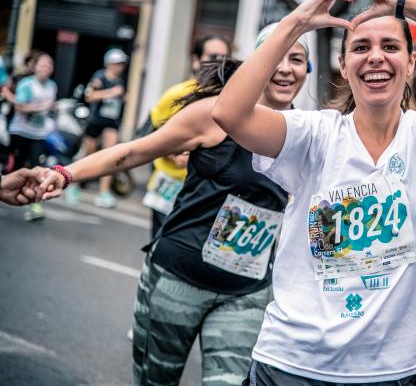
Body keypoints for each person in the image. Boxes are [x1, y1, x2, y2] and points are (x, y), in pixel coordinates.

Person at [211, 0, 416, 385]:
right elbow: (229, 113)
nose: (375, 57)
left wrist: (404, 3)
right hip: (290, 363)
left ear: (410, 63)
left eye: (390, 47)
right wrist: (298, 22)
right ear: (343, 65)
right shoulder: (313, 135)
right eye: (360, 47)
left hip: (387, 370)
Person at [37, 26, 313, 386]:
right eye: (277, 55)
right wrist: (65, 172)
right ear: (258, 62)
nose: (286, 68)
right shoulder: (213, 115)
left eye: (297, 59)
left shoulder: (309, 132)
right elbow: (134, 151)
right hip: (178, 276)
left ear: (308, 71)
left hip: (246, 290)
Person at [142, 35, 230, 239]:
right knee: (162, 243)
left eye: (224, 57)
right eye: (213, 56)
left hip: (206, 191)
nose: (219, 62)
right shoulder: (176, 94)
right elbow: (151, 132)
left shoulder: (229, 98)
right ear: (196, 60)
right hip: (169, 184)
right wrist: (173, 153)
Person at [66, 48, 128, 208]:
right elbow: (89, 96)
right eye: (117, 63)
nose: (120, 67)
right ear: (109, 64)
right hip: (96, 121)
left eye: (122, 64)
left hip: (112, 122)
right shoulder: (99, 78)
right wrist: (111, 92)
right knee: (89, 155)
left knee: (111, 157)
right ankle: (74, 186)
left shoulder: (120, 81)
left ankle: (104, 192)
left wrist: (123, 97)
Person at [8, 52, 56, 220]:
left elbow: (49, 108)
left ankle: (35, 206)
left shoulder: (52, 86)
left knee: (38, 170)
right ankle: (8, 194)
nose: (46, 69)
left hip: (38, 134)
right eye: (43, 65)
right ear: (35, 67)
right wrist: (40, 106)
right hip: (20, 131)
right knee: (17, 168)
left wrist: (52, 108)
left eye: (49, 66)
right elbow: (20, 107)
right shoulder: (27, 84)